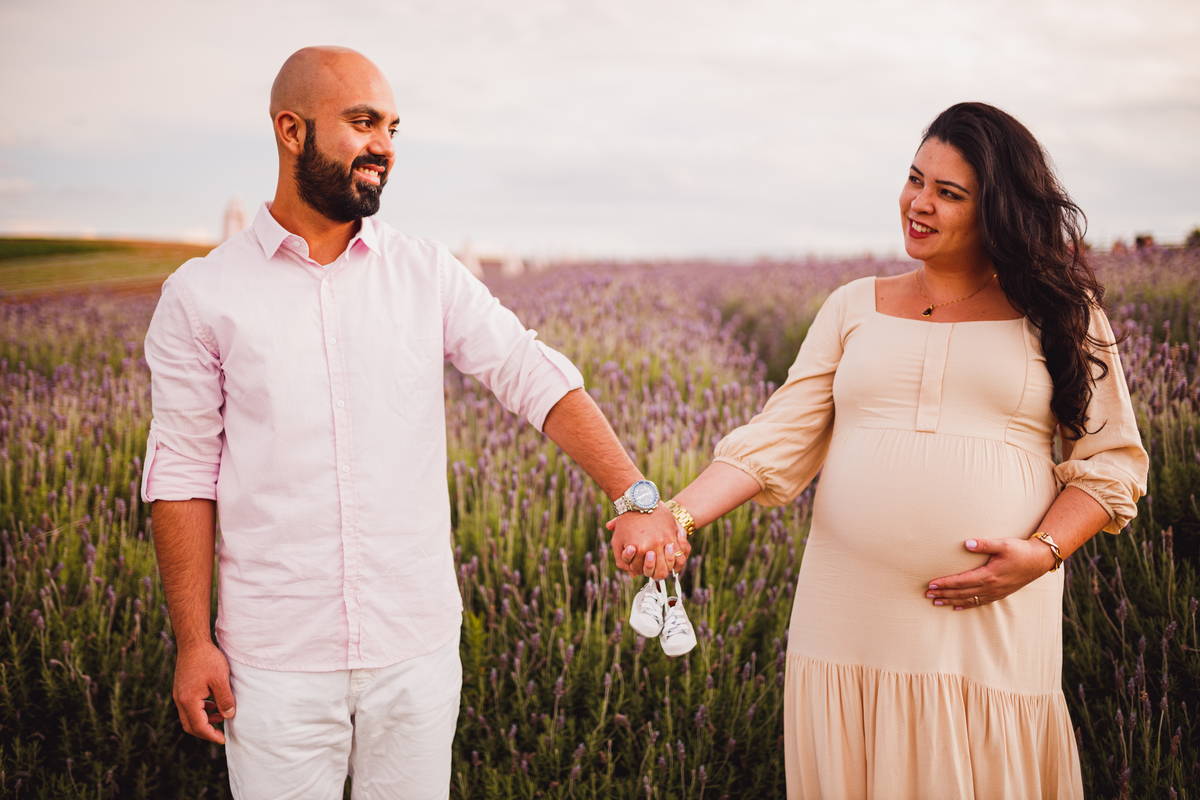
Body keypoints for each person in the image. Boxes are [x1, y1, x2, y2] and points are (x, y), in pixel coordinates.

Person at [141, 46, 688, 800]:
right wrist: (193, 641)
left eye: (393, 128)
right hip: (273, 664)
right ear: (291, 130)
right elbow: (181, 474)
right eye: (363, 123)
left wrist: (634, 494)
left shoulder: (425, 272)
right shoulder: (202, 295)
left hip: (415, 655)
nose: (385, 147)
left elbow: (528, 372)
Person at [657, 102, 1148, 798]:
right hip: (847, 620)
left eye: (949, 193)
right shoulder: (852, 306)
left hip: (988, 623)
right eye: (915, 179)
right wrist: (674, 519)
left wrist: (1042, 554)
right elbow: (774, 440)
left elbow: (1111, 464)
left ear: (998, 210)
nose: (919, 203)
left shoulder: (1061, 314)